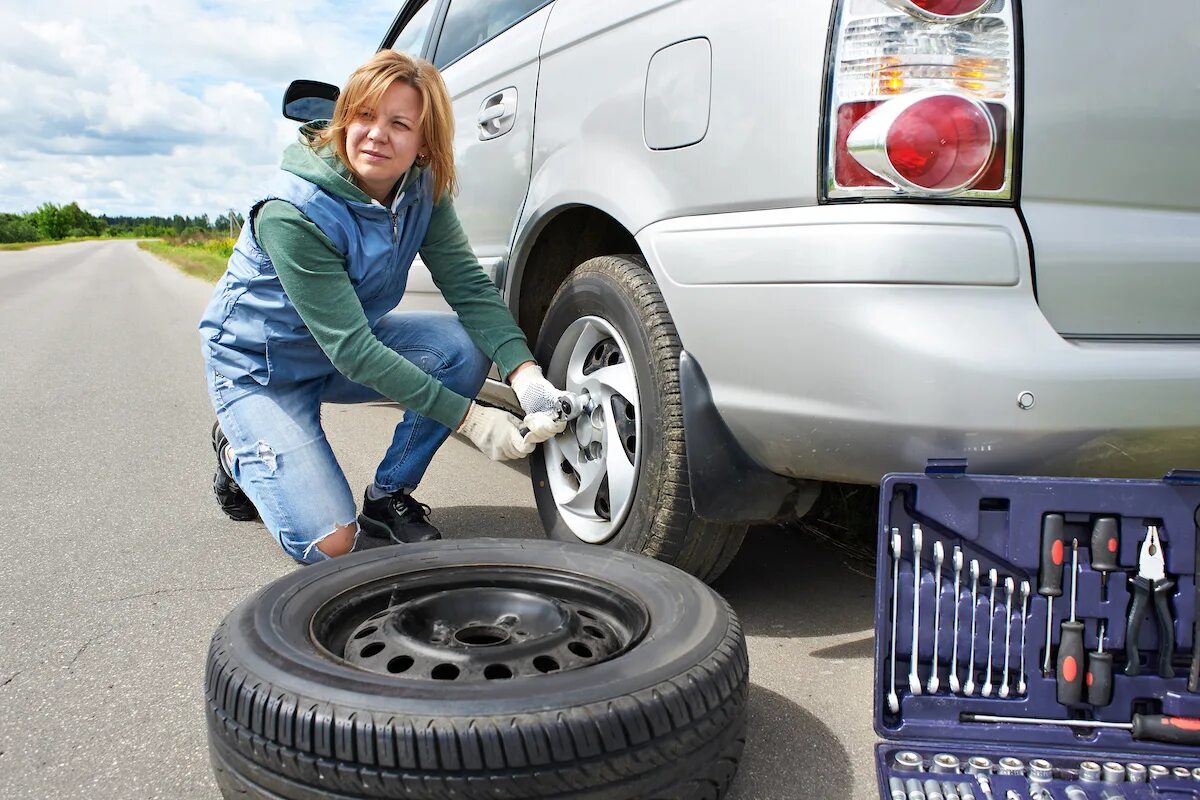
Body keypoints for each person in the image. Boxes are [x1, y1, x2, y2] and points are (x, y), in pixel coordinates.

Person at [198, 50, 569, 564]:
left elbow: (468, 288)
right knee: (331, 545)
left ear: (423, 144)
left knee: (460, 348)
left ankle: (387, 497)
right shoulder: (293, 212)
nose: (376, 134)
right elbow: (353, 351)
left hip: (341, 349)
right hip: (263, 369)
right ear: (344, 118)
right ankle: (239, 452)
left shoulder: (422, 191)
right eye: (365, 115)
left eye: (399, 123)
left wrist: (527, 377)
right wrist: (473, 421)